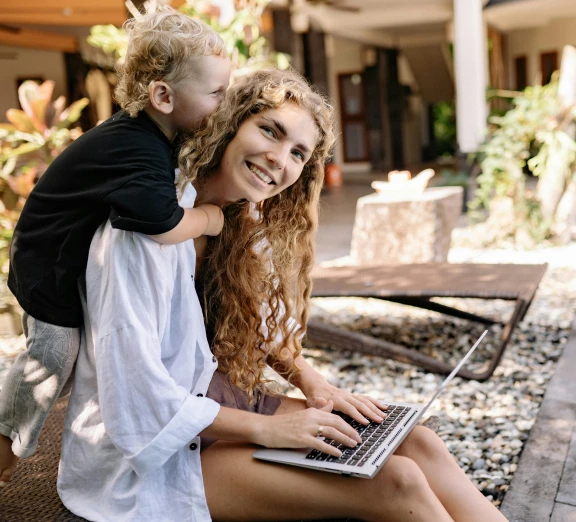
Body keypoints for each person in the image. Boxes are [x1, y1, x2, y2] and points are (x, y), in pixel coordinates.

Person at [59, 67, 509, 522]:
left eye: (298, 153)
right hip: (153, 454)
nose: (280, 159)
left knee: (417, 442)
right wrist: (271, 429)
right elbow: (137, 399)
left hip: (223, 405)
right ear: (231, 124)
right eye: (269, 131)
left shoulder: (240, 219)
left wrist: (313, 382)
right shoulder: (141, 231)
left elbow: (260, 328)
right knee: (397, 481)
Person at [0, 5, 231, 487]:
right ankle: (4, 448)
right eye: (216, 93)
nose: (222, 103)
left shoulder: (153, 136)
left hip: (63, 261)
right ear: (163, 96)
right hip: (49, 272)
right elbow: (162, 223)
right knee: (51, 362)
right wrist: (209, 218)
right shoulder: (136, 147)